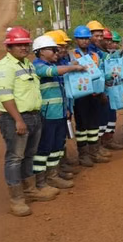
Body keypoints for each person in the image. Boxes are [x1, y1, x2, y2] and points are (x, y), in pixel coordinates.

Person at [0, 28, 48, 216]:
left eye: (26, 44)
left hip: (34, 116)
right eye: (19, 44)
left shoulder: (27, 64)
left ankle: (30, 189)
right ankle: (16, 199)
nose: (24, 47)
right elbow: (5, 96)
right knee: (15, 158)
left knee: (29, 154)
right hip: (16, 118)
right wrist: (18, 120)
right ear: (9, 47)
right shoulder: (3, 67)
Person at [31, 35, 86, 191]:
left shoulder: (52, 65)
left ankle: (53, 175)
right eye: (53, 50)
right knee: (44, 148)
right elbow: (54, 71)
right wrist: (73, 67)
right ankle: (41, 180)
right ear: (41, 51)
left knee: (57, 146)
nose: (57, 52)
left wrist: (67, 109)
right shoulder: (38, 67)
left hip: (60, 113)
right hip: (47, 115)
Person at [70, 25, 110, 165]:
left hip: (94, 93)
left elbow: (100, 75)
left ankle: (94, 151)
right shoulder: (72, 55)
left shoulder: (95, 55)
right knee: (82, 125)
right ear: (76, 40)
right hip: (80, 95)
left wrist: (102, 92)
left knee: (94, 123)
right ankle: (83, 154)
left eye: (86, 38)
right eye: (81, 39)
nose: (84, 41)